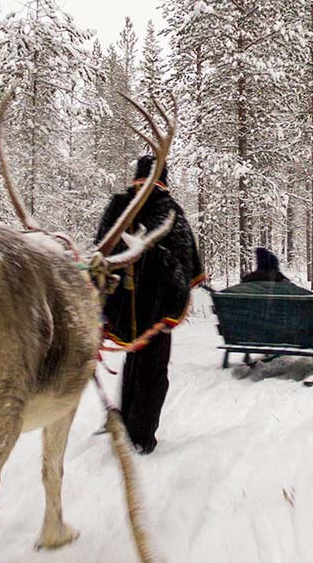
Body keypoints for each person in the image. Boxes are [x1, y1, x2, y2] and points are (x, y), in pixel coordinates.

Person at [96, 154, 204, 455]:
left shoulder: (120, 206)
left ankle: (129, 426)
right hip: (158, 311)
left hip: (122, 308)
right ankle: (141, 437)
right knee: (153, 370)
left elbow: (101, 253)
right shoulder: (170, 211)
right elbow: (187, 262)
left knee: (134, 362)